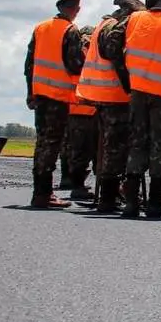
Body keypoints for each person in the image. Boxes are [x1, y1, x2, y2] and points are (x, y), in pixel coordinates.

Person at [100, 0, 161, 218]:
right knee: (159, 146)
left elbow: (111, 46)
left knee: (137, 144)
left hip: (138, 92)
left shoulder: (134, 18)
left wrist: (127, 75)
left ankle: (131, 205)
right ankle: (154, 203)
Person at [76, 0, 144, 213]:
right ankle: (108, 197)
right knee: (115, 148)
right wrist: (129, 85)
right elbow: (114, 54)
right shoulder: (113, 28)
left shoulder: (103, 25)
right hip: (114, 95)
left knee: (110, 146)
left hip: (106, 94)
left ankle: (111, 194)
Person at [24, 0, 86, 209]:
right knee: (51, 145)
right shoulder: (70, 30)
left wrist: (30, 93)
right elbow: (75, 63)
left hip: (40, 95)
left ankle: (41, 191)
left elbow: (29, 64)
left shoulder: (40, 28)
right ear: (75, 8)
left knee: (42, 144)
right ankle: (43, 194)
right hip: (58, 96)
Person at [63, 25, 99, 202]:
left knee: (82, 152)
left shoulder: (84, 54)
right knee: (83, 152)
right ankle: (78, 187)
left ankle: (80, 186)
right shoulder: (81, 55)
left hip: (87, 110)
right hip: (82, 109)